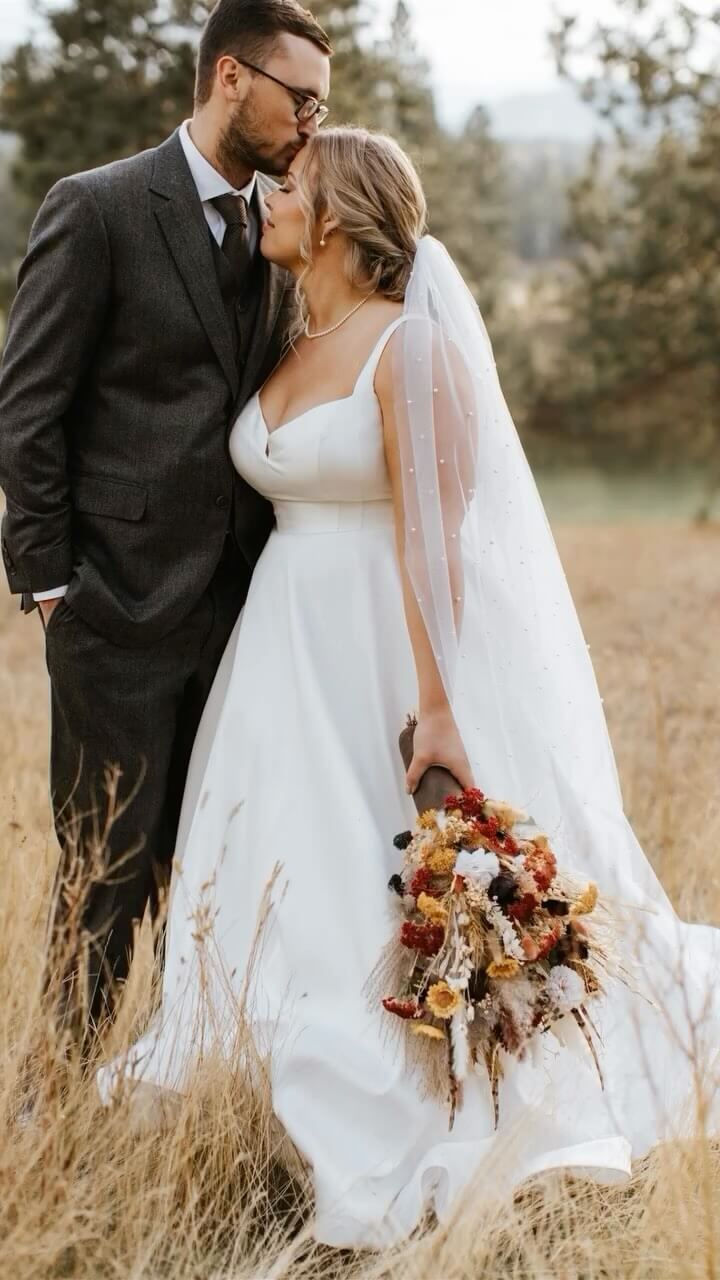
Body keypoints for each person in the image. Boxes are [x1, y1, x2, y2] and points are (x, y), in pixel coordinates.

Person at [99, 127, 720, 1248]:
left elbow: (440, 540)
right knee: (270, 856)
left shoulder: (409, 349)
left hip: (377, 647)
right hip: (278, 652)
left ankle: (407, 1084)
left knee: (371, 869)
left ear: (335, 214)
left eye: (292, 185)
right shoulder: (289, 339)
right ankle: (245, 1074)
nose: (272, 198)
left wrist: (439, 705)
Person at [0, 0, 332, 1058]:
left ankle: (178, 1086)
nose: (312, 125)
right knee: (104, 872)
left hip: (245, 615)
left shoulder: (287, 224)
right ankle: (61, 1096)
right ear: (230, 77)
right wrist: (52, 584)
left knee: (220, 868)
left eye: (326, 104)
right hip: (116, 608)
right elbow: (28, 405)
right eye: (300, 98)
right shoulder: (95, 208)